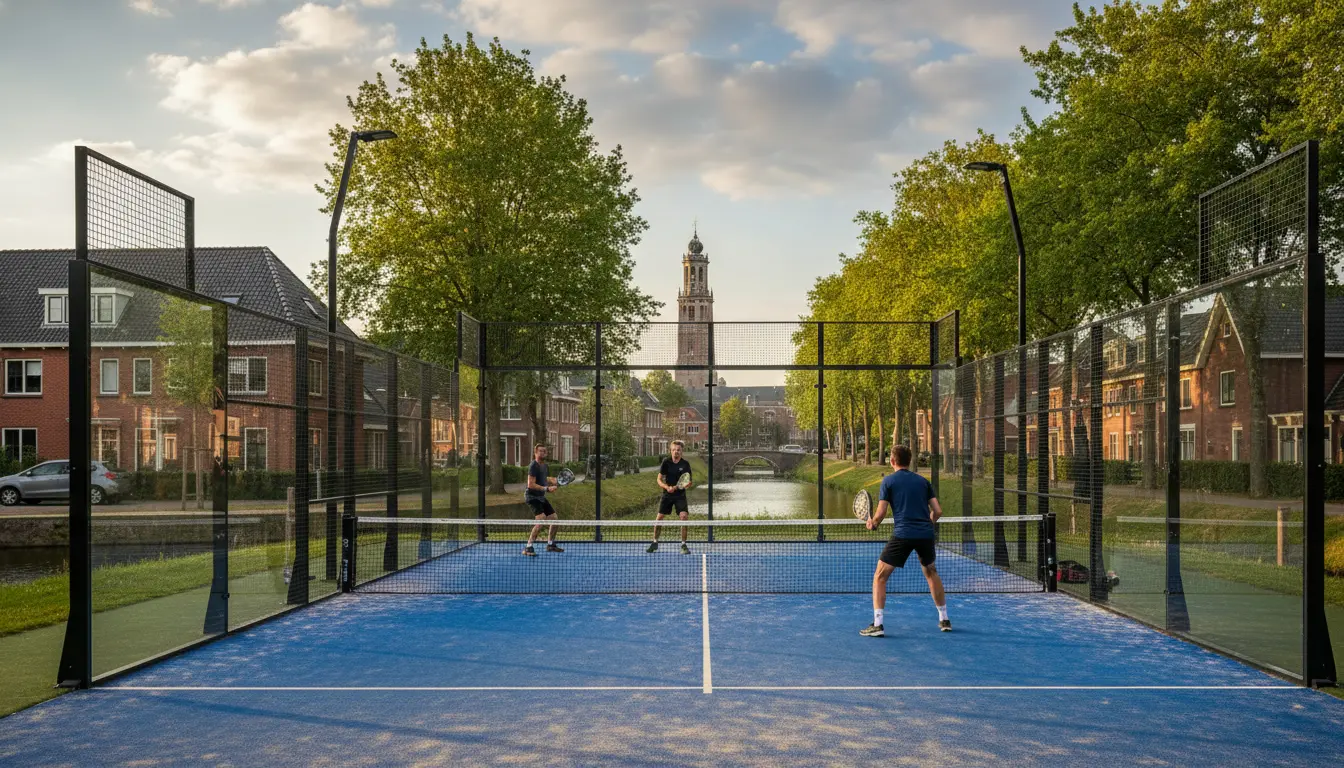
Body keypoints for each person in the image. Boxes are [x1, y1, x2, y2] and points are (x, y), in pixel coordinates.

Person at [860, 444, 950, 637]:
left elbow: (881, 512)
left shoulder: (888, 481)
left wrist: (873, 524)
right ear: (909, 461)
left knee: (880, 577)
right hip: (926, 535)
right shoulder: (923, 481)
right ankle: (944, 619)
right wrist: (927, 524)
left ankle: (878, 624)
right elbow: (938, 511)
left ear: (892, 461)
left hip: (903, 534)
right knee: (931, 572)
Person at [648, 440, 692, 554]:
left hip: (680, 495)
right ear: (670, 450)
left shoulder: (685, 464)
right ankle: (654, 542)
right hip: (667, 495)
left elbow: (689, 482)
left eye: (678, 450)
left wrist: (682, 486)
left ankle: (683, 545)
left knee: (684, 517)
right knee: (659, 518)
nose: (676, 452)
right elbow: (659, 479)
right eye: (674, 450)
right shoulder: (666, 462)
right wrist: (666, 487)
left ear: (681, 451)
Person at [522, 444, 562, 557]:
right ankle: (528, 547)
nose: (543, 453)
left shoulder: (544, 466)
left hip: (541, 497)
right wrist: (547, 489)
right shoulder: (533, 466)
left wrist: (552, 480)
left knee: (554, 519)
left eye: (544, 451)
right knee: (541, 519)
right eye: (540, 451)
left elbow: (543, 478)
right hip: (532, 497)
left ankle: (550, 544)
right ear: (535, 452)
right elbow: (531, 484)